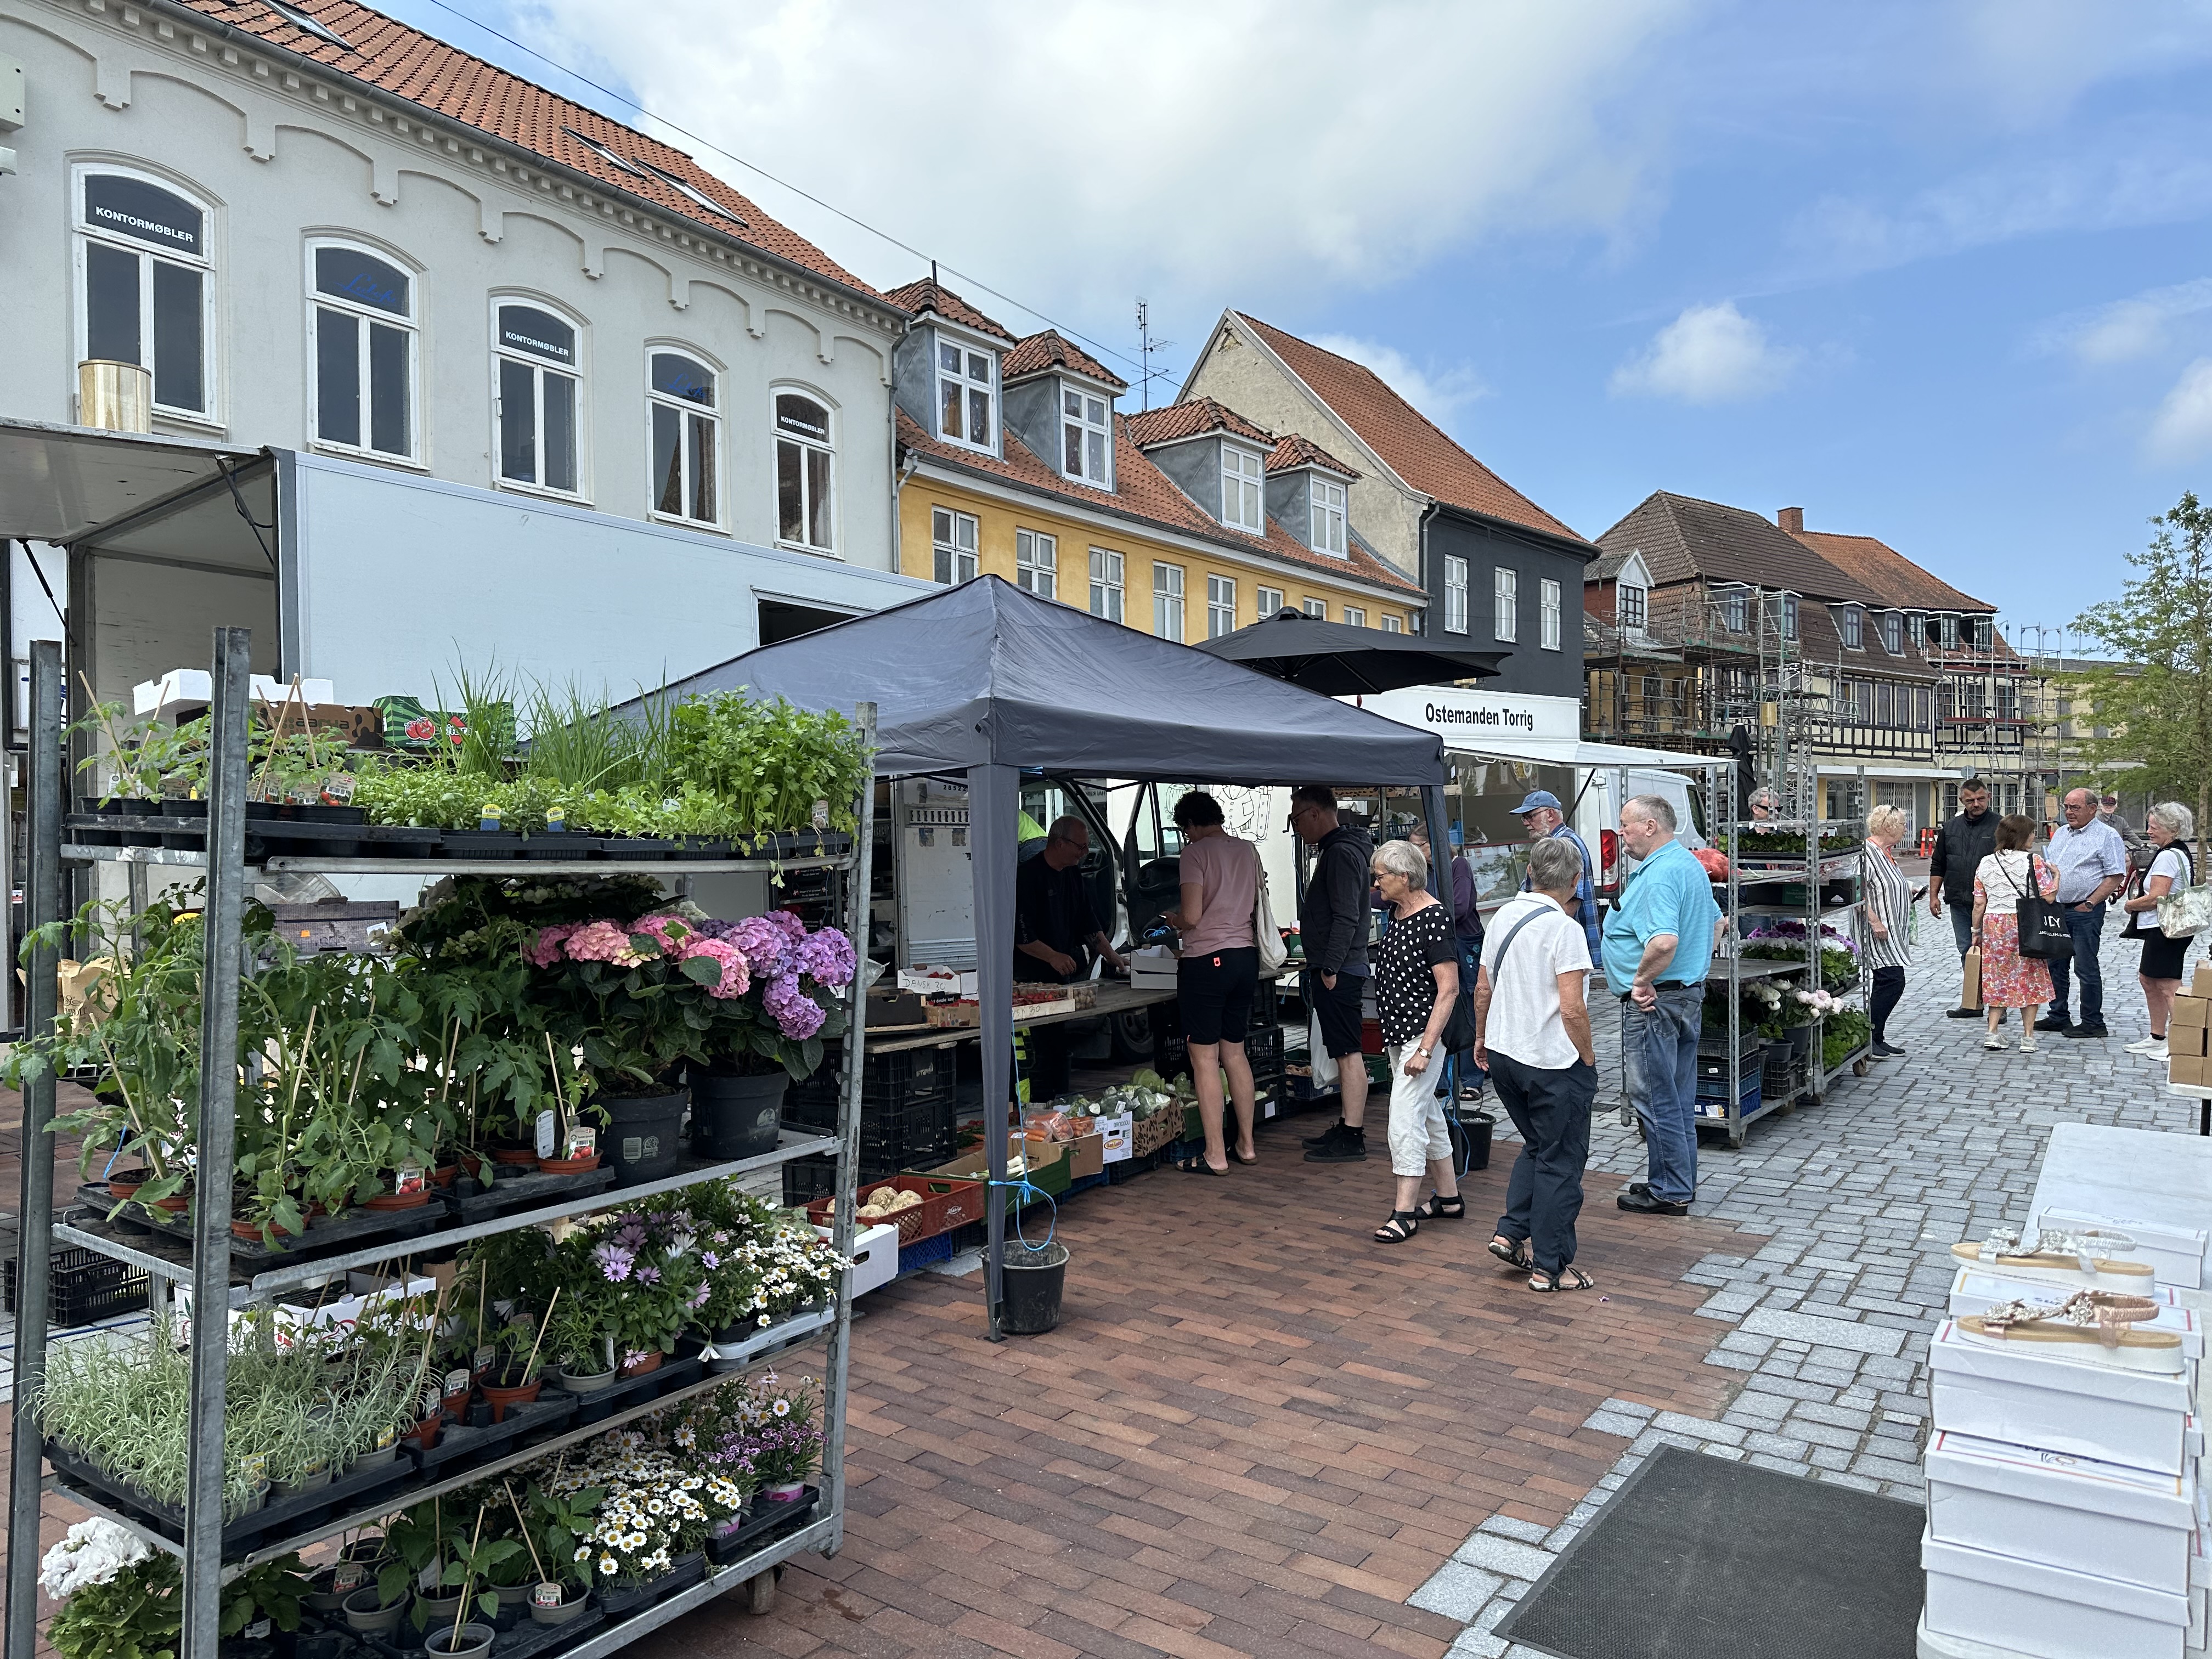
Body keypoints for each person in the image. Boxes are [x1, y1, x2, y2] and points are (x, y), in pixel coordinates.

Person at [1474, 837, 1597, 1291]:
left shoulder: (1504, 914)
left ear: (1529, 872)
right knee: (1561, 1160)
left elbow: (1482, 988)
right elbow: (1572, 1009)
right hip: (1551, 1061)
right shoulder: (1565, 929)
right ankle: (1551, 1267)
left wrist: (1482, 1036)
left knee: (1537, 1144)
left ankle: (1510, 1232)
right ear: (1575, 880)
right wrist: (1587, 1055)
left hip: (1506, 1054)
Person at [1601, 794, 1722, 1217]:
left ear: (1650, 826)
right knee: (1676, 1096)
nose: (1621, 833)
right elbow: (1718, 921)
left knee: (1655, 1098)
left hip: (1657, 1001)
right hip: (1684, 995)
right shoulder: (1687, 864)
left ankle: (1670, 1189)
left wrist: (1641, 980)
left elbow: (1664, 940)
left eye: (1626, 825)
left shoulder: (1658, 876)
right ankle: (1674, 1178)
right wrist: (1698, 966)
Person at [1364, 839, 1462, 1243]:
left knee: (1404, 1119)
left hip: (1422, 1036)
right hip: (1399, 1032)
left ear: (1405, 877)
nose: (1376, 883)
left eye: (1381, 876)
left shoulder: (1434, 917)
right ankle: (1450, 1198)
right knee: (1426, 1112)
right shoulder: (1396, 913)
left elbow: (1449, 988)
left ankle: (1404, 1212)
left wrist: (1425, 1049)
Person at [1160, 791, 1262, 1176]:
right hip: (1245, 957)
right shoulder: (1247, 850)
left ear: (1191, 824)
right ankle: (1247, 1146)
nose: (1186, 837)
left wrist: (1174, 920)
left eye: (1185, 830)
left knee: (1204, 1059)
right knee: (1235, 1051)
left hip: (1207, 961)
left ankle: (1215, 1155)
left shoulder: (1195, 854)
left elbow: (1193, 914)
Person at [1012, 816, 1127, 1101]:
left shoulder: (1073, 873)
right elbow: (1022, 936)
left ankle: (1057, 1097)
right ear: (1060, 843)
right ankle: (1030, 1103)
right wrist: (1052, 956)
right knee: (1033, 1046)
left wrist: (1111, 954)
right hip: (1028, 979)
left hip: (1059, 978)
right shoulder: (1027, 876)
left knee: (1056, 1041)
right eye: (1081, 846)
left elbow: (1087, 920)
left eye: (1088, 847)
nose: (1084, 853)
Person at [1293, 787, 1376, 1163]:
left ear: (1313, 813)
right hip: (1338, 965)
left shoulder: (1341, 853)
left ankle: (1353, 1134)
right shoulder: (1341, 849)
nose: (1295, 828)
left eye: (1295, 819)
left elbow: (1346, 915)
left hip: (1339, 968)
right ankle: (1346, 1125)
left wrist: (1330, 965)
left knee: (1347, 1052)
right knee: (1342, 1050)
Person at [2040, 787, 2130, 1040]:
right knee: (2055, 965)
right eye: (2066, 806)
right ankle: (2058, 1015)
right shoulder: (2060, 833)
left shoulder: (2106, 835)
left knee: (2085, 966)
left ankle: (2093, 1022)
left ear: (2093, 809)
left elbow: (2115, 875)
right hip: (2058, 909)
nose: (2068, 812)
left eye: (2075, 807)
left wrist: (2090, 903)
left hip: (2085, 911)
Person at [1971, 814, 2059, 1053]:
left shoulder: (1986, 862)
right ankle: (2028, 1038)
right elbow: (2049, 897)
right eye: (2031, 832)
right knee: (2029, 977)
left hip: (1994, 924)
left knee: (1996, 977)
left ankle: (1992, 1032)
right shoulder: (2034, 861)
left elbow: (1979, 902)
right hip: (2025, 923)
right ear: (2022, 836)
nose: (2033, 836)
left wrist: (1976, 931)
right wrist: (2057, 877)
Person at [1410, 819, 1484, 1098]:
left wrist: (1428, 918)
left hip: (1464, 943)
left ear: (1432, 845)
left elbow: (1462, 907)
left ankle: (1472, 1079)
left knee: (1466, 1006)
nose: (1414, 852)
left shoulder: (1459, 866)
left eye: (1417, 846)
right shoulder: (1425, 871)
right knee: (1440, 1007)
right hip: (1440, 943)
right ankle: (1441, 1080)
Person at [2121, 803, 2197, 1059]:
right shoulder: (2176, 851)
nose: (2149, 831)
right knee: (2149, 979)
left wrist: (2131, 905)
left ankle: (2181, 1044)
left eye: (2154, 827)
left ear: (2172, 829)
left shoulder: (2167, 855)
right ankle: (2157, 1036)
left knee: (2168, 985)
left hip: (2167, 927)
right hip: (2164, 927)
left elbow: (2156, 897)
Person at [1929, 778, 2000, 1019]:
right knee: (1966, 950)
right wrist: (1933, 896)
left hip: (1994, 903)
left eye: (1980, 799)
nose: (1976, 804)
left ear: (1988, 796)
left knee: (1993, 952)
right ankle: (1974, 1002)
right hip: (1959, 901)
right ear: (1962, 801)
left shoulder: (2001, 826)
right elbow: (1938, 864)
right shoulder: (1950, 827)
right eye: (1970, 800)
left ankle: (1997, 1007)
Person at [1511, 791, 1600, 960]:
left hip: (1567, 952)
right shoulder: (1556, 842)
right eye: (1524, 818)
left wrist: (1540, 943)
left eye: (1530, 816)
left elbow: (1570, 903)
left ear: (1550, 814)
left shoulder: (1565, 843)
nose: (1526, 823)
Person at [1860, 805, 1915, 1060]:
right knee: (1892, 980)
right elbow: (1858, 892)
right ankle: (1869, 1038)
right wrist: (1874, 921)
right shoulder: (1868, 852)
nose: (1905, 829)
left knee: (1888, 980)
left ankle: (1876, 1037)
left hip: (1892, 928)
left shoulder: (1885, 853)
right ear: (1888, 826)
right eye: (1903, 824)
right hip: (1878, 930)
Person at [2101, 794, 2152, 869]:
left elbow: (2130, 834)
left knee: (2131, 859)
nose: (2108, 807)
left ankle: (2123, 878)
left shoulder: (2120, 820)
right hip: (2102, 851)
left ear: (2115, 807)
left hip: (2119, 850)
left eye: (2111, 805)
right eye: (2106, 805)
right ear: (2101, 806)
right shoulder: (2095, 821)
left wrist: (2142, 844)